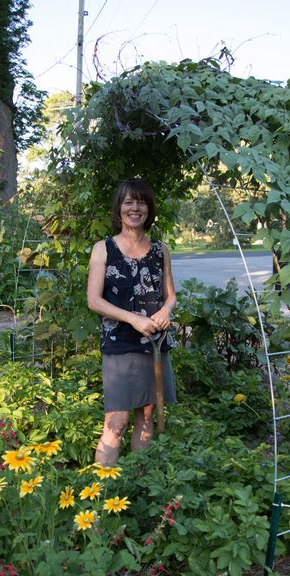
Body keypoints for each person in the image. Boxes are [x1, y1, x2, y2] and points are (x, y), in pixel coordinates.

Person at [87, 178, 177, 465]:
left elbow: (170, 295)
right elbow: (94, 300)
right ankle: (100, 498)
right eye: (128, 202)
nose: (135, 208)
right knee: (117, 423)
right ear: (119, 208)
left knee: (147, 417)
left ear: (149, 208)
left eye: (141, 202)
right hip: (120, 345)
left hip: (154, 343)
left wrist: (166, 311)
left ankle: (137, 488)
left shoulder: (161, 250)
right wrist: (133, 319)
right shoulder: (104, 249)